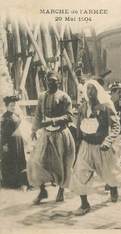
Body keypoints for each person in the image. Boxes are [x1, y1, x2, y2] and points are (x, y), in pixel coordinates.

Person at [70, 80, 121, 215]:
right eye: (87, 89)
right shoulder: (83, 107)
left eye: (92, 89)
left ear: (98, 91)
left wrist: (108, 141)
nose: (89, 92)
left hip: (102, 146)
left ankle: (113, 188)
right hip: (86, 145)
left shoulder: (106, 106)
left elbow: (116, 125)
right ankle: (84, 204)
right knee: (80, 173)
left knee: (110, 172)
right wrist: (78, 142)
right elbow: (79, 125)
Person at [28, 71, 76, 204]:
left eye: (53, 81)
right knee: (37, 161)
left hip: (60, 135)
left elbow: (69, 116)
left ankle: (61, 190)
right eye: (48, 81)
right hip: (46, 134)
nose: (50, 83)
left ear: (58, 82)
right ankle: (42, 190)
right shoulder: (42, 97)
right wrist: (33, 130)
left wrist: (53, 121)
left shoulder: (64, 97)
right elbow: (38, 115)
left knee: (61, 164)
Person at [0, 96, 29, 189]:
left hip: (18, 142)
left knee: (19, 159)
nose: (13, 107)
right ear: (7, 106)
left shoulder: (16, 115)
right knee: (11, 160)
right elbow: (3, 132)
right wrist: (4, 144)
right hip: (10, 142)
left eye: (14, 105)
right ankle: (10, 182)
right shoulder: (4, 118)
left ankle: (20, 180)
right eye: (11, 105)